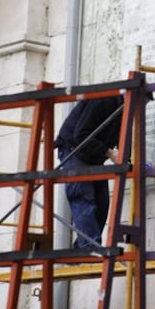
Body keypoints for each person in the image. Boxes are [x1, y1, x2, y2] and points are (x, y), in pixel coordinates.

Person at [54, 95, 124, 248]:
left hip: (94, 157)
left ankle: (83, 248)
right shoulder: (103, 100)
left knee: (102, 203)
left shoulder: (123, 111)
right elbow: (81, 135)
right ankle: (89, 248)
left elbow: (123, 140)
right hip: (74, 151)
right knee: (83, 196)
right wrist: (110, 153)